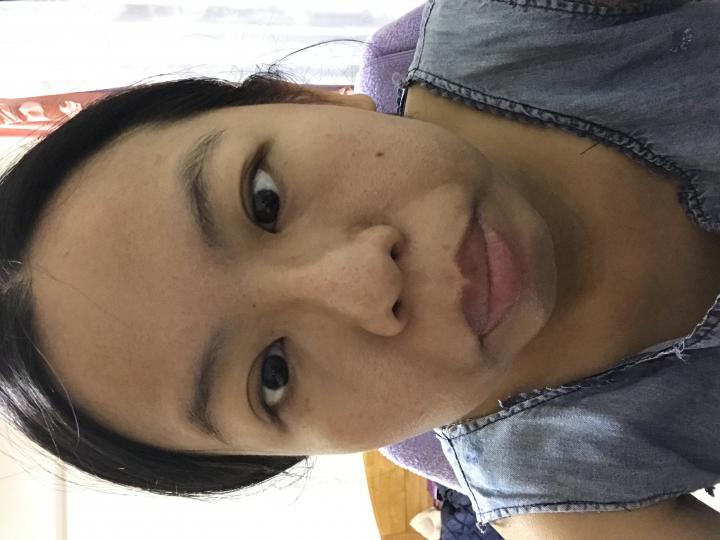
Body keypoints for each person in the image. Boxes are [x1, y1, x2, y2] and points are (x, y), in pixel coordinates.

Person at [1, 1, 719, 538]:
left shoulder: (529, 23)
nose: (365, 283)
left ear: (300, 98)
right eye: (273, 375)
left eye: (263, 200)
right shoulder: (568, 497)